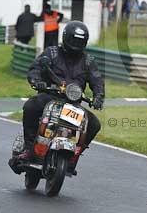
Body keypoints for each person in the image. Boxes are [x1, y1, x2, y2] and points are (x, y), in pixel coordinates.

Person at [18, 21, 104, 174]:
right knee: (31, 106)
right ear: (65, 38)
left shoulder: (88, 61)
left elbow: (97, 80)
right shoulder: (51, 53)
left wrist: (98, 96)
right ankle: (29, 147)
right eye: (74, 40)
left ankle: (74, 156)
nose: (76, 44)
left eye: (80, 41)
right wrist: (37, 82)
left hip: (73, 104)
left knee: (94, 124)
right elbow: (35, 68)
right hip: (50, 97)